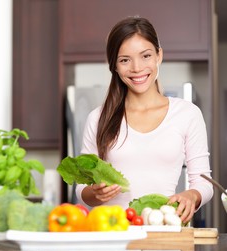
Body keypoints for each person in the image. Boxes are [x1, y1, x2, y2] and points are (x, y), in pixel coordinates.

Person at [75, 16, 213, 223]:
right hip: (112, 232)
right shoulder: (98, 118)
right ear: (114, 65)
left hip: (164, 228)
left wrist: (192, 195)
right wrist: (94, 193)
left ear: (159, 56)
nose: (137, 68)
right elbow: (81, 189)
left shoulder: (187, 114)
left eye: (146, 56)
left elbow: (204, 182)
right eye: (124, 60)